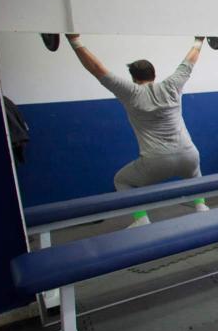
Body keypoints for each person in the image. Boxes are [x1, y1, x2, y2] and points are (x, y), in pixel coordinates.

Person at [66, 34, 208, 225]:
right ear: (154, 75)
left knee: (122, 181)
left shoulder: (130, 92)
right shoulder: (172, 85)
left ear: (133, 78)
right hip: (188, 154)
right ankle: (201, 207)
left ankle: (141, 218)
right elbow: (189, 62)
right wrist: (199, 41)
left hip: (156, 161)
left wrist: (74, 40)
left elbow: (97, 69)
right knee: (194, 171)